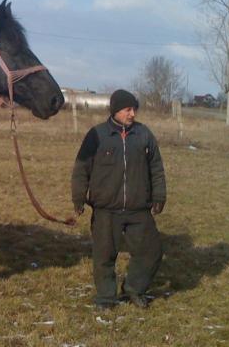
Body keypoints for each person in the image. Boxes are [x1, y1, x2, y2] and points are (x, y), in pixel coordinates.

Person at [71, 89, 166, 309]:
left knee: (151, 252)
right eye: (128, 109)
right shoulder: (97, 135)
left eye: (134, 109)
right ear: (115, 111)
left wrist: (159, 195)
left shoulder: (144, 135)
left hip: (139, 208)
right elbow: (81, 168)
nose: (132, 114)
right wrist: (78, 197)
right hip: (106, 209)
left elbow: (156, 167)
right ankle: (106, 297)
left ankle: (134, 288)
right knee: (104, 257)